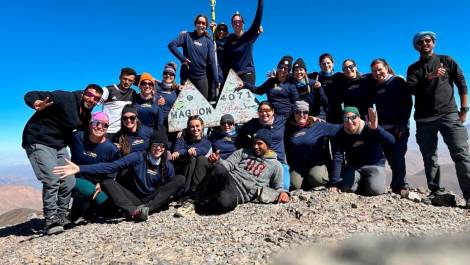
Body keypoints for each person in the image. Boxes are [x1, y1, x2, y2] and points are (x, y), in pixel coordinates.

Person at [22, 84, 103, 235]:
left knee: (69, 181)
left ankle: (61, 215)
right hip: (38, 140)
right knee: (52, 179)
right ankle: (50, 219)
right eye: (90, 95)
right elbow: (30, 94)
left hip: (59, 146)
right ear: (83, 93)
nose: (92, 100)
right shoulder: (65, 98)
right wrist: (36, 103)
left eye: (96, 99)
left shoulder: (86, 115)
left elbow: (84, 134)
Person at [54, 130, 185, 222]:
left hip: (152, 200)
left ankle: (146, 210)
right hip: (134, 200)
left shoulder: (167, 165)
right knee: (106, 182)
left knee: (179, 179)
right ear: (150, 145)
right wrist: (79, 168)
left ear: (164, 148)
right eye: (155, 145)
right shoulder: (138, 157)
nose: (158, 148)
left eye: (162, 146)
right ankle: (133, 211)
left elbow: (168, 188)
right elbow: (111, 166)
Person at [407, 31, 470, 207]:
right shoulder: (413, 69)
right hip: (424, 119)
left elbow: (462, 85)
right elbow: (410, 89)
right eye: (420, 42)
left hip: (449, 115)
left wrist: (464, 109)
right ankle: (436, 192)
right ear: (416, 47)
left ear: (433, 42)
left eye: (428, 40)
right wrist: (429, 77)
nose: (425, 44)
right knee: (429, 157)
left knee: (461, 155)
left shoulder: (447, 60)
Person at [174, 128, 288, 217]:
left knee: (225, 204)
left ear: (268, 145)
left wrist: (283, 194)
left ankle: (200, 205)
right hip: (229, 180)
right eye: (254, 143)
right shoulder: (243, 152)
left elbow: (279, 187)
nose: (255, 146)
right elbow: (228, 165)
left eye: (259, 143)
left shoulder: (275, 165)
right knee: (219, 169)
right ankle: (192, 200)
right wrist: (218, 160)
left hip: (238, 194)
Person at [330, 107, 395, 196]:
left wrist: (376, 128)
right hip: (354, 167)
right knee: (345, 188)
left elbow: (391, 141)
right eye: (346, 118)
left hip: (375, 165)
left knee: (375, 190)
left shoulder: (370, 127)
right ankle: (362, 182)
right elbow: (338, 158)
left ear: (359, 117)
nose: (349, 121)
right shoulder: (341, 133)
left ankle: (369, 181)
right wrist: (335, 182)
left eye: (353, 117)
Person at [68, 112, 121, 222]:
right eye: (97, 123)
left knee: (111, 210)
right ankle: (75, 213)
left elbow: (113, 170)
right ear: (90, 124)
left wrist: (103, 184)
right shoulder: (78, 137)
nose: (100, 127)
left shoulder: (111, 149)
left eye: (105, 125)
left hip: (97, 184)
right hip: (75, 179)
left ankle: (89, 210)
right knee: (86, 189)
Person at [371, 58, 412, 193]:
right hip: (384, 128)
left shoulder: (398, 82)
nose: (377, 73)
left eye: (380, 69)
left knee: (398, 155)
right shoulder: (375, 86)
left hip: (399, 127)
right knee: (390, 157)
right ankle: (397, 184)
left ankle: (400, 185)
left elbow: (408, 103)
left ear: (386, 68)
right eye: (374, 71)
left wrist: (403, 124)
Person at [285, 101, 341, 190]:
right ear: (293, 112)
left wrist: (360, 125)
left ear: (308, 113)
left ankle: (313, 178)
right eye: (298, 112)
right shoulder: (288, 127)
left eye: (305, 112)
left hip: (316, 163)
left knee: (317, 179)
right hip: (299, 165)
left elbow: (338, 128)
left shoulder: (318, 125)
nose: (301, 114)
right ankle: (306, 181)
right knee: (294, 185)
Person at [237, 101, 289, 189]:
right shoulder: (252, 124)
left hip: (279, 161)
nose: (264, 113)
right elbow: (238, 132)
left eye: (267, 110)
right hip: (259, 162)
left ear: (273, 111)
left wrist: (311, 119)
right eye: (261, 111)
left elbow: (298, 120)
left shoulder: (281, 121)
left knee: (285, 188)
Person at [168, 14, 219, 100]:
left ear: (206, 26)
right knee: (187, 105)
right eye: (199, 22)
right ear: (195, 24)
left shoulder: (208, 42)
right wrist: (182, 58)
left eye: (203, 23)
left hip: (202, 78)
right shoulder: (186, 36)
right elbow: (171, 45)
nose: (201, 25)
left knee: (203, 105)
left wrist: (216, 80)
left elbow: (212, 62)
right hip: (187, 77)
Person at [225, 0, 264, 85]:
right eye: (234, 22)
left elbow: (257, 20)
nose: (237, 23)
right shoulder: (229, 39)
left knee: (246, 98)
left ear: (243, 23)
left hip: (247, 74)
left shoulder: (249, 36)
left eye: (239, 21)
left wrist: (260, 3)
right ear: (232, 24)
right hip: (233, 76)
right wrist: (214, 29)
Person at [101, 67, 137, 138]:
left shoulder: (133, 93)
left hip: (124, 133)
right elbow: (92, 103)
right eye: (124, 79)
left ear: (133, 82)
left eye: (130, 80)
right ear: (120, 77)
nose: (127, 82)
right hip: (107, 131)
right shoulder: (107, 90)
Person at [308, 53, 343, 123]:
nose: (326, 65)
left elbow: (353, 78)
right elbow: (300, 75)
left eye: (328, 63)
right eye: (323, 64)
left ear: (333, 63)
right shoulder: (315, 77)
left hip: (336, 113)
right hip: (320, 114)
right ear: (320, 65)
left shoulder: (339, 77)